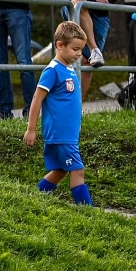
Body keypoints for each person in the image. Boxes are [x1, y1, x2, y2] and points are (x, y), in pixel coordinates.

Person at [23, 20, 94, 206]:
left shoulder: (69, 69)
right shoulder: (52, 70)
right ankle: (88, 211)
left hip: (67, 134)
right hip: (60, 134)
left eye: (81, 50)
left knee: (61, 170)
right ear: (60, 46)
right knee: (78, 171)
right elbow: (37, 99)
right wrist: (31, 129)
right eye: (75, 49)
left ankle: (36, 198)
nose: (79, 54)